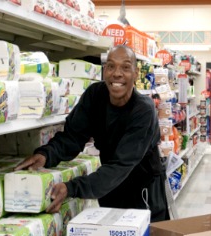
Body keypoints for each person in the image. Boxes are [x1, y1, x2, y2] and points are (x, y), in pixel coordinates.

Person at [15, 45, 170, 222]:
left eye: (126, 67)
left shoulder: (143, 110)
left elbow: (121, 165)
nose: (117, 73)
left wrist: (72, 188)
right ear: (104, 71)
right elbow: (73, 136)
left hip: (144, 192)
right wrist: (45, 154)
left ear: (135, 74)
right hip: (110, 185)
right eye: (111, 66)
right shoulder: (95, 95)